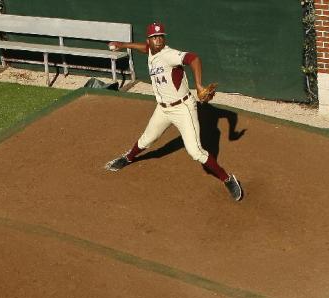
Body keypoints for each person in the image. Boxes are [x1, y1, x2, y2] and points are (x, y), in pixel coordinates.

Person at [105, 22, 244, 201]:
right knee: (147, 139)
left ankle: (228, 179)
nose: (158, 40)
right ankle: (128, 158)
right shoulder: (150, 50)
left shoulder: (169, 55)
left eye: (161, 36)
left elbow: (193, 58)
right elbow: (144, 48)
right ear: (150, 39)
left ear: (164, 38)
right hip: (163, 109)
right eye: (154, 37)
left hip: (183, 108)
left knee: (196, 152)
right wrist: (123, 45)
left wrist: (199, 84)